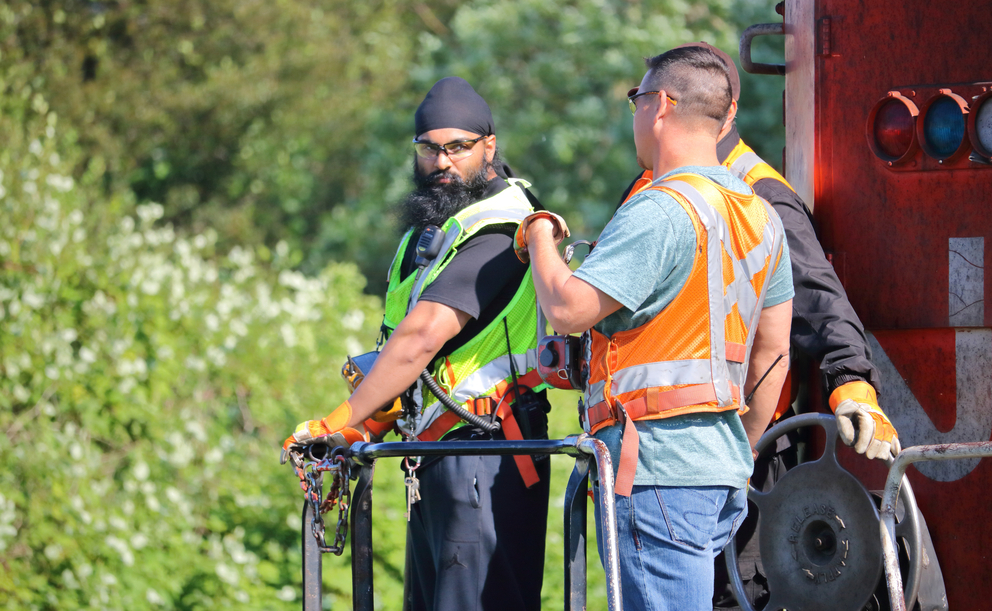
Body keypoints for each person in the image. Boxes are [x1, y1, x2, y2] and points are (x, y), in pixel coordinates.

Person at [614, 43, 901, 609]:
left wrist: (851, 380)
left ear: (721, 111)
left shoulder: (759, 193)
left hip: (734, 448)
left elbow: (823, 301)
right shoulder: (663, 183)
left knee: (731, 594)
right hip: (657, 451)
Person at [517, 45, 794, 611]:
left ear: (661, 104)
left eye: (637, 100)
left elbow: (568, 310)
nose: (636, 115)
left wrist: (540, 234)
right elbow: (774, 352)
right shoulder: (761, 215)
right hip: (719, 470)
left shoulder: (660, 208)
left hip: (654, 473)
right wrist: (738, 453)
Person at [283, 77, 551, 611]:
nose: (442, 161)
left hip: (489, 453)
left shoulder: (503, 228)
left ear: (489, 146)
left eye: (457, 147)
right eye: (429, 148)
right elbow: (405, 358)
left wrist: (339, 419)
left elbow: (421, 340)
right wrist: (364, 428)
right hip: (435, 456)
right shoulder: (429, 234)